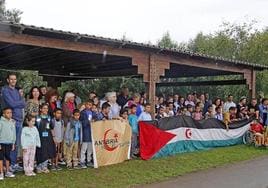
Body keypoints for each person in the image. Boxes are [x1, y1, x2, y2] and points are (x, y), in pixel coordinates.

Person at [1, 73, 25, 172]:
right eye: (11, 79)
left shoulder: (16, 91)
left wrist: (18, 103)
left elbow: (23, 103)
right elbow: (11, 104)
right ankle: (9, 165)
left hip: (19, 120)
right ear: (8, 80)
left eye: (14, 79)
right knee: (10, 143)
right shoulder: (5, 90)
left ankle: (14, 164)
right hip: (11, 120)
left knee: (16, 144)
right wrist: (20, 103)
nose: (13, 81)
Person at [35, 103, 56, 174]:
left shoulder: (49, 118)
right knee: (40, 151)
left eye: (46, 108)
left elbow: (52, 127)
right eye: (44, 108)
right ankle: (39, 166)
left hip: (48, 137)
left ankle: (44, 166)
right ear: (40, 109)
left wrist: (53, 137)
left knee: (47, 151)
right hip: (39, 137)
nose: (45, 110)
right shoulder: (37, 118)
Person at [0, 108, 16, 180]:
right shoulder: (1, 122)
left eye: (11, 113)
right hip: (1, 143)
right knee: (0, 158)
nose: (10, 114)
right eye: (7, 113)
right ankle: (1, 173)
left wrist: (13, 143)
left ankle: (7, 171)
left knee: (7, 157)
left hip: (9, 143)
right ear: (3, 114)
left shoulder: (12, 122)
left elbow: (14, 133)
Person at [80, 100, 93, 168]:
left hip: (91, 133)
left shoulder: (93, 112)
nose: (89, 106)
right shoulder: (82, 113)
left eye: (90, 105)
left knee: (90, 148)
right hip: (85, 132)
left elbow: (96, 118)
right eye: (88, 104)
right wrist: (88, 121)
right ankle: (82, 161)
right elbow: (81, 122)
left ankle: (89, 160)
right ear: (85, 104)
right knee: (84, 148)